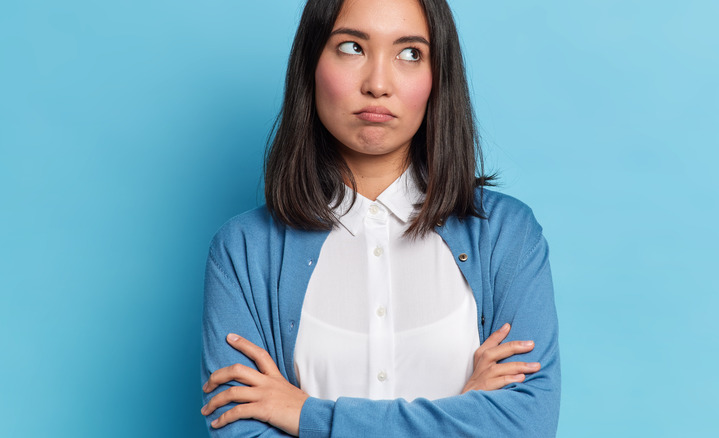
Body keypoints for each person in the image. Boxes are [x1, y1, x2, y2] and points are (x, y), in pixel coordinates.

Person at [200, 0, 560, 436]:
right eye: (352, 47)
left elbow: (525, 425)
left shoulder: (507, 235)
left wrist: (304, 414)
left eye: (410, 53)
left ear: (437, 77)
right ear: (311, 63)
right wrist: (464, 410)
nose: (378, 83)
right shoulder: (243, 250)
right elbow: (240, 427)